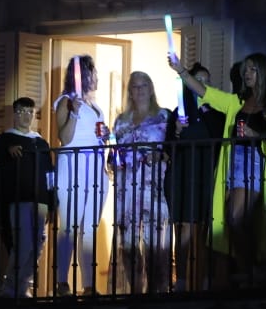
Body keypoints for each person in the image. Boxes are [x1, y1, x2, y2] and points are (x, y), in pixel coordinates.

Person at [169, 51, 266, 279]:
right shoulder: (237, 101)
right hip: (232, 161)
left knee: (236, 217)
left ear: (264, 72)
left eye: (252, 69)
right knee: (236, 221)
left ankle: (251, 271)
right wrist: (181, 70)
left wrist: (256, 135)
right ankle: (249, 272)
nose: (247, 73)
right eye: (245, 69)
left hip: (255, 163)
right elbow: (206, 92)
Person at [110, 70, 172, 294]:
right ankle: (135, 290)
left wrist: (161, 155)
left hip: (153, 183)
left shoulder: (165, 117)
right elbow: (114, 151)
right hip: (126, 185)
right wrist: (114, 158)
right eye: (135, 86)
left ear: (151, 88)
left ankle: (156, 291)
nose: (140, 90)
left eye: (144, 85)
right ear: (130, 92)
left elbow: (173, 148)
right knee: (128, 242)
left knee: (155, 240)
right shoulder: (121, 120)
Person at [54, 54, 110, 295]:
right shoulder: (65, 101)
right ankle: (61, 282)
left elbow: (97, 137)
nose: (95, 75)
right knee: (69, 226)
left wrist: (105, 135)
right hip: (72, 166)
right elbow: (64, 138)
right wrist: (75, 113)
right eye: (92, 71)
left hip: (95, 168)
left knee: (89, 228)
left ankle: (88, 285)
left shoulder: (95, 105)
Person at [0, 97, 56, 299]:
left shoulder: (41, 142)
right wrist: (7, 149)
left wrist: (52, 202)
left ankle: (22, 287)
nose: (26, 116)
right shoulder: (6, 138)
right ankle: (10, 288)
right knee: (24, 244)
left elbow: (49, 173)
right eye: (21, 111)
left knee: (37, 246)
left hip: (41, 201)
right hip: (19, 199)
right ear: (15, 114)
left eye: (30, 112)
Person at [165, 63, 221, 292]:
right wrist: (178, 130)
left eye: (206, 80)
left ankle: (206, 280)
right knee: (185, 228)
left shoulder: (216, 111)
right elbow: (168, 147)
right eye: (198, 79)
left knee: (206, 228)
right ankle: (181, 280)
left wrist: (207, 110)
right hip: (184, 173)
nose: (202, 84)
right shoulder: (178, 112)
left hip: (207, 173)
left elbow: (220, 137)